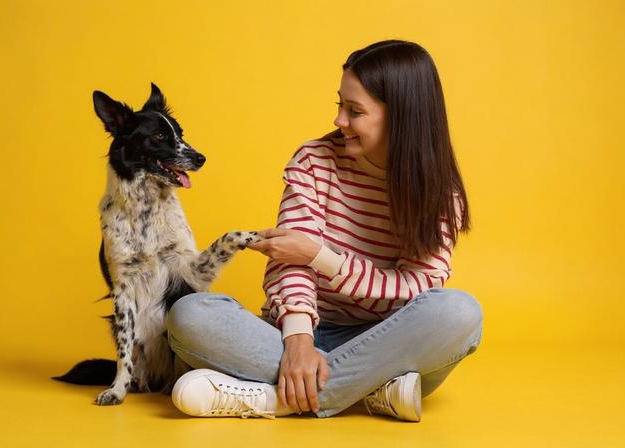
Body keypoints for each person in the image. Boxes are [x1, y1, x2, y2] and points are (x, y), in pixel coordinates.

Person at [166, 39, 483, 421]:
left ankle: (271, 399)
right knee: (189, 315)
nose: (339, 121)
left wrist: (322, 257)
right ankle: (368, 391)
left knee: (458, 312)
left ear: (400, 117)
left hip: (386, 344)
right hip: (291, 337)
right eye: (340, 105)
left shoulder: (440, 193)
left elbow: (411, 292)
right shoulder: (314, 161)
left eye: (355, 111)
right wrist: (299, 342)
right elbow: (289, 262)